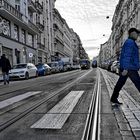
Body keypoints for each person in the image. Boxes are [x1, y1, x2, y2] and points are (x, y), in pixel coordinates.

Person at [110, 27, 140, 105]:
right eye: (137, 34)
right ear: (132, 34)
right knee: (138, 83)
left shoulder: (130, 42)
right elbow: (127, 56)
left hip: (129, 67)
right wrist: (126, 68)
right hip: (130, 68)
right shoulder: (130, 42)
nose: (137, 36)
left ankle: (113, 98)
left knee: (120, 83)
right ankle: (113, 98)